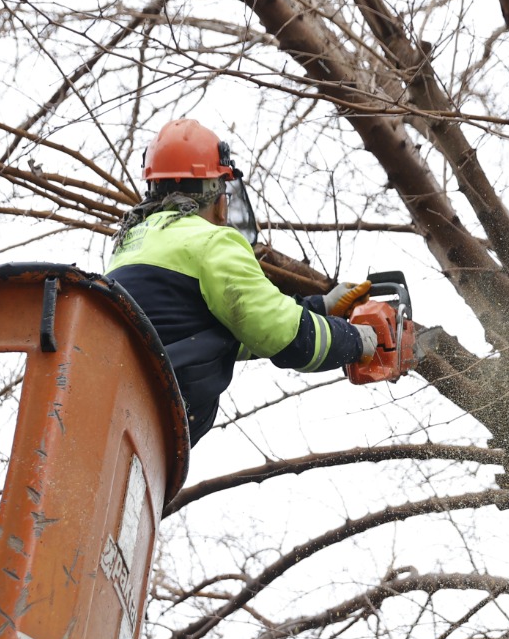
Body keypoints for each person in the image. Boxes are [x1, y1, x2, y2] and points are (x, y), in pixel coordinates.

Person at [108, 119, 375, 444]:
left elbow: (211, 329)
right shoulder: (211, 241)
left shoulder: (130, 243)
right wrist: (358, 341)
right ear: (217, 194)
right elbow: (284, 336)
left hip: (123, 400)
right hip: (167, 407)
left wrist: (321, 306)